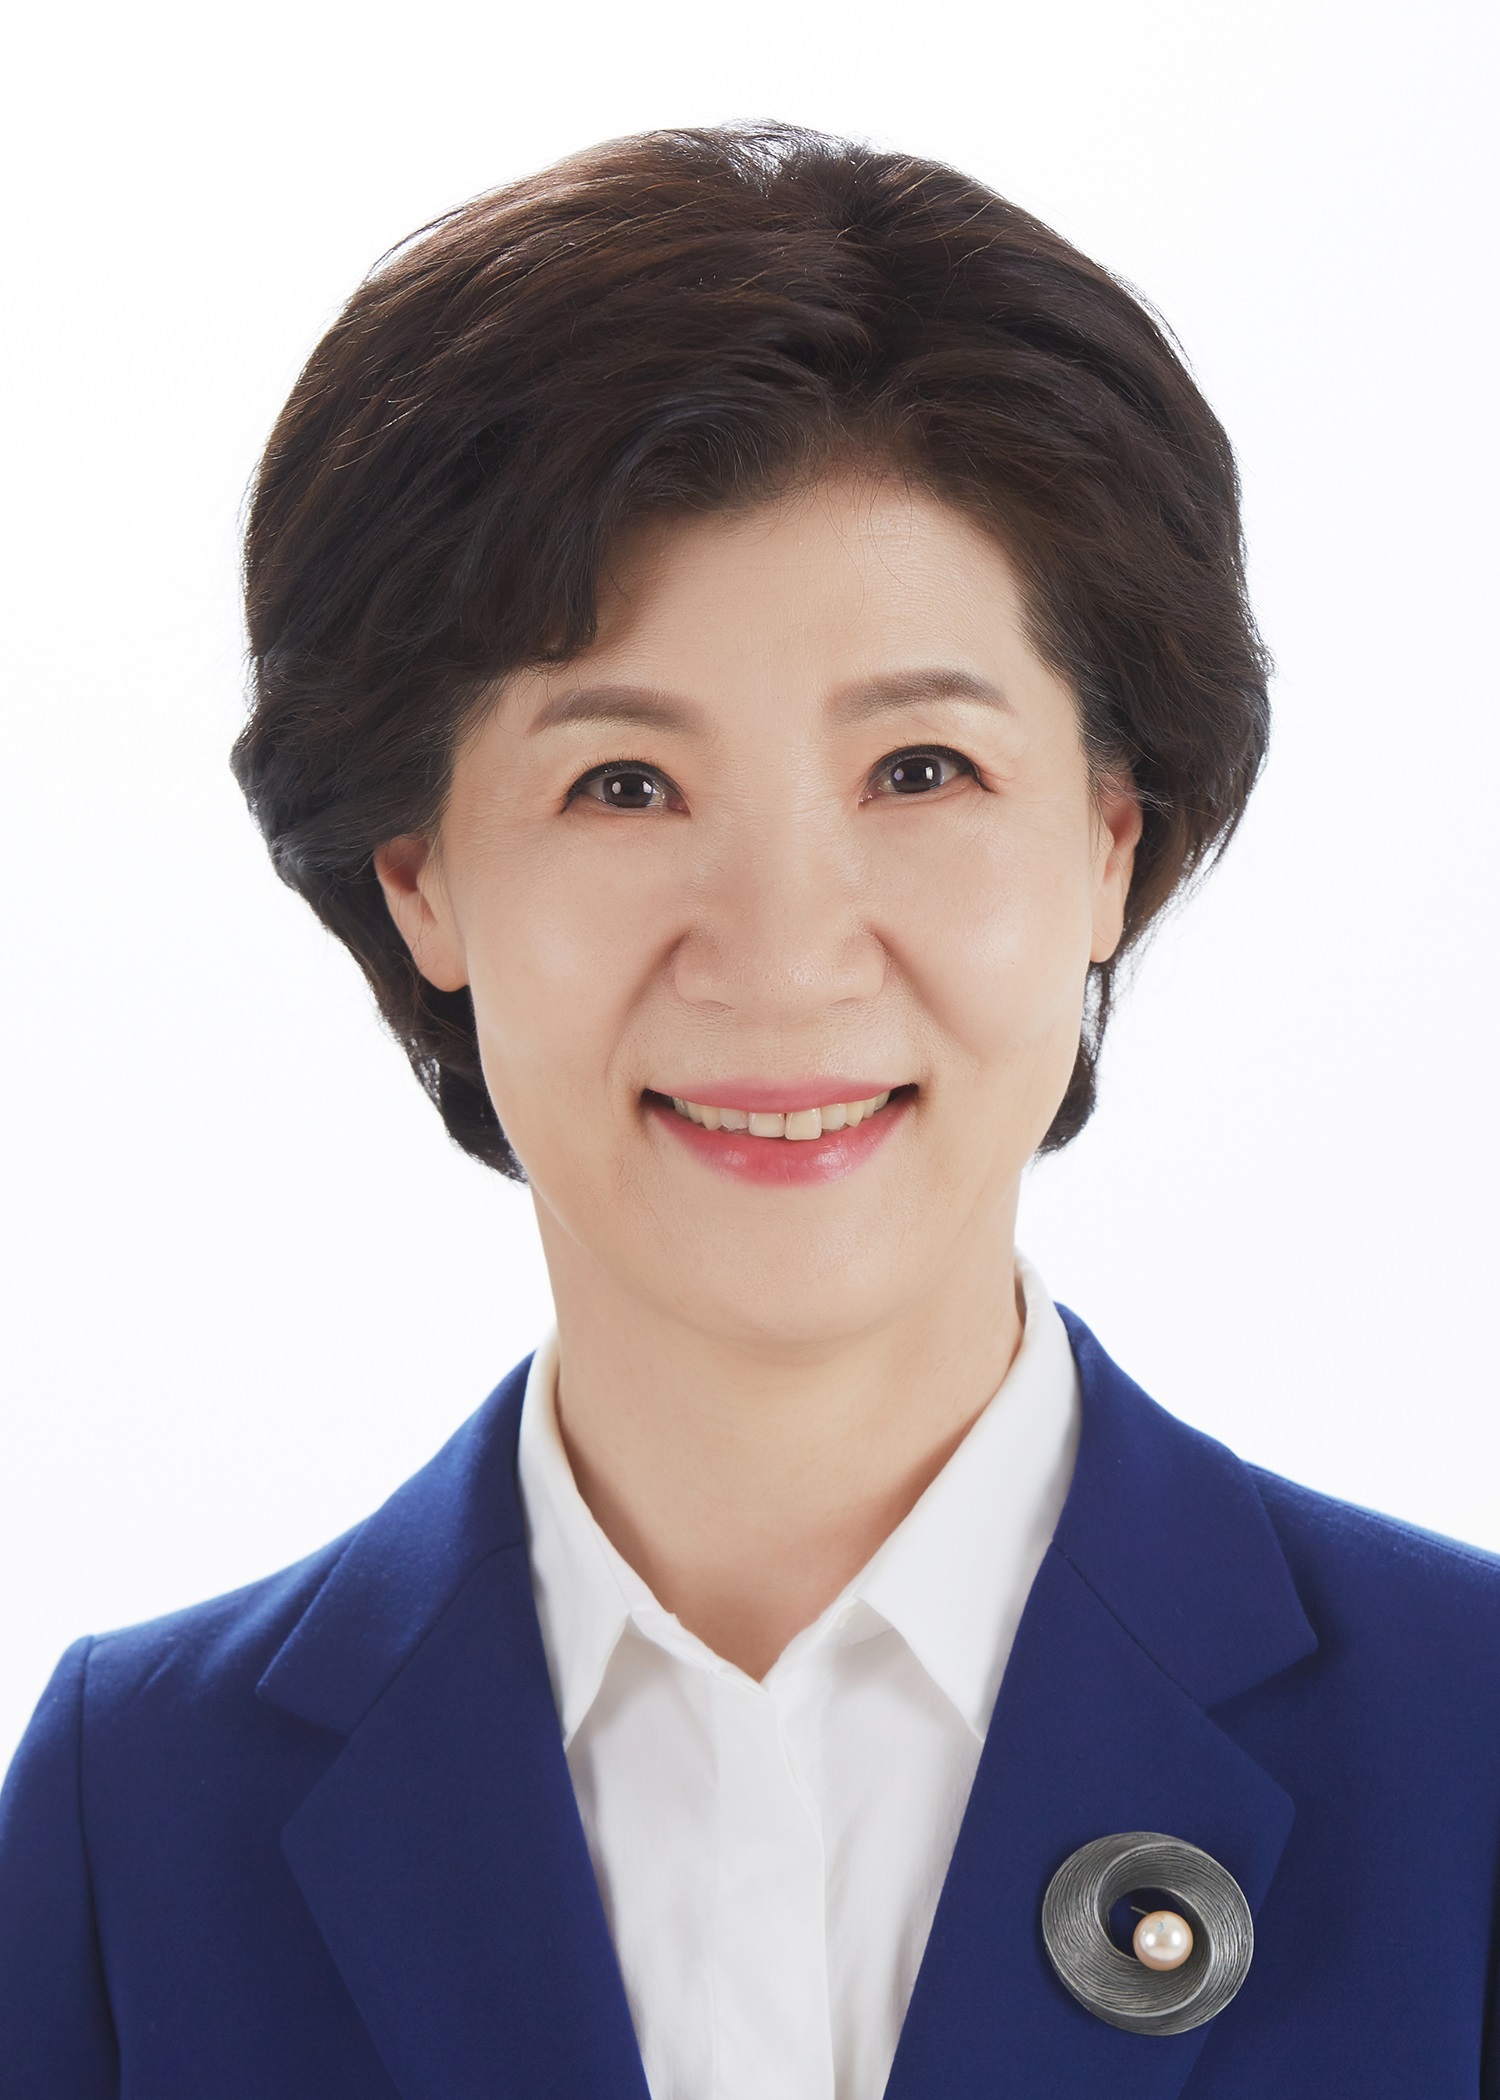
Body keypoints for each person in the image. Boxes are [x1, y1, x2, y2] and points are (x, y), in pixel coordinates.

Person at [1, 120, 1497, 2100]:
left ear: (1111, 840)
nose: (784, 958)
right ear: (416, 876)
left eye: (922, 770)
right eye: (622, 785)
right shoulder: (137, 1818)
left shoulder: (1468, 1740)